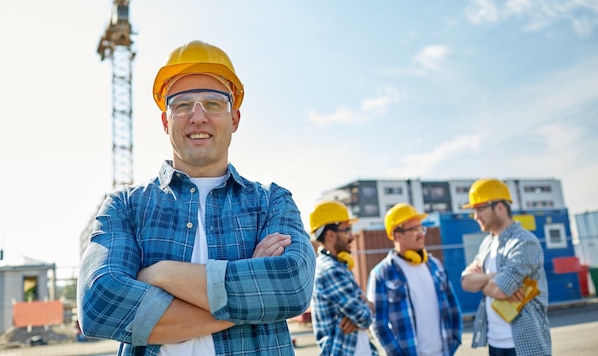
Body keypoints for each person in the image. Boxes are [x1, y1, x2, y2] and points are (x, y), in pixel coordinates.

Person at [77, 40, 316, 356]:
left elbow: (292, 286)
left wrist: (160, 274)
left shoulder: (272, 202)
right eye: (181, 104)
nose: (198, 116)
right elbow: (99, 304)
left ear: (235, 119)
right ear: (165, 121)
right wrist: (252, 292)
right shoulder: (125, 207)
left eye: (214, 103)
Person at [461, 178, 551, 356]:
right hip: (495, 343)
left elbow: (500, 291)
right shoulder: (487, 243)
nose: (475, 216)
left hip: (524, 344)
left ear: (500, 207)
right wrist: (493, 277)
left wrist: (485, 282)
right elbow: (465, 282)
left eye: (480, 209)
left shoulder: (524, 242)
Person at [367, 203, 462, 356]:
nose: (421, 234)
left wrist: (455, 340)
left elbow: (453, 308)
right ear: (397, 235)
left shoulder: (435, 266)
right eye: (414, 230)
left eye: (421, 228)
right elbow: (378, 323)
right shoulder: (382, 274)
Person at [309, 200, 378, 356]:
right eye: (347, 230)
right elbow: (364, 318)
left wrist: (362, 310)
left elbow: (361, 315)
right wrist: (367, 306)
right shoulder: (330, 271)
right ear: (331, 235)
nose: (352, 237)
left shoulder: (339, 266)